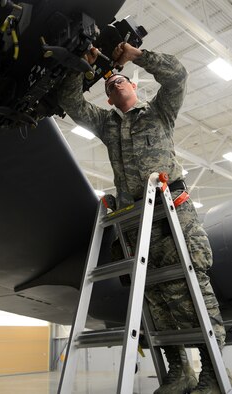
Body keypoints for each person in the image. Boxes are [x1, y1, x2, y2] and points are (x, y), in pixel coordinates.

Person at [58, 42, 227, 394]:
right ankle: (178, 372)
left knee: (190, 290)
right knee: (153, 298)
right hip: (136, 221)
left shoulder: (159, 113)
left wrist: (137, 56)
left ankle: (211, 371)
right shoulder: (106, 124)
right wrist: (81, 67)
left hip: (172, 213)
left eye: (121, 79)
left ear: (135, 86)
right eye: (109, 84)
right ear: (108, 99)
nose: (114, 82)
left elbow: (178, 75)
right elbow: (71, 104)